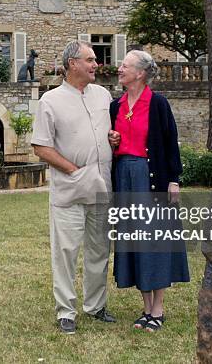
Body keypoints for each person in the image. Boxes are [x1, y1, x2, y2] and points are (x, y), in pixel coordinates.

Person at [31, 40, 120, 334]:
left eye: (95, 60)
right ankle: (66, 311)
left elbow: (108, 132)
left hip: (102, 185)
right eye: (90, 60)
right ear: (72, 64)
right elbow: (40, 147)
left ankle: (95, 306)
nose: (97, 64)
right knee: (66, 251)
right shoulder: (51, 101)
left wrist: (113, 139)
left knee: (99, 249)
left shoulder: (103, 95)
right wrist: (73, 171)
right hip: (69, 188)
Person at [110, 50, 190, 332]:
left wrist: (173, 179)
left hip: (151, 178)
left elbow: (170, 142)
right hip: (124, 177)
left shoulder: (158, 104)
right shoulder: (115, 105)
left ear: (140, 73)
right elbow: (114, 144)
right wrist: (113, 140)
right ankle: (145, 308)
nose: (119, 68)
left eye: (125, 65)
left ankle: (158, 309)